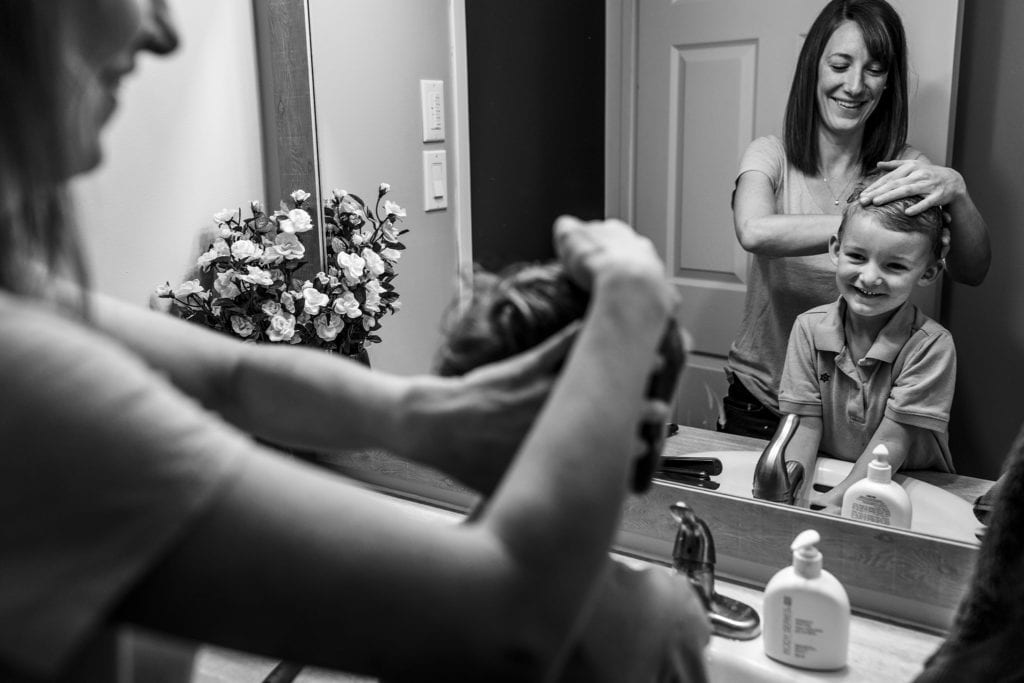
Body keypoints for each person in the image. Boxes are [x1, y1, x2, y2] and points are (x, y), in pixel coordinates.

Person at [0, 2, 709, 682]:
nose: (163, 34)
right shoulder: (23, 373)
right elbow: (504, 617)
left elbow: (235, 378)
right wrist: (633, 296)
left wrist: (431, 416)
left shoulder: (24, 305)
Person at [721, 0, 990, 439]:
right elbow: (754, 231)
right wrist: (864, 222)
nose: (854, 85)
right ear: (814, 69)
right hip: (762, 400)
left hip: (860, 411)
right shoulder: (771, 155)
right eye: (840, 64)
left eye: (874, 69)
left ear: (888, 83)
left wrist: (958, 193)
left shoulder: (905, 170)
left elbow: (972, 270)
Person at [776, 193, 954, 512]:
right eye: (857, 257)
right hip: (833, 473)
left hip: (909, 489)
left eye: (895, 265)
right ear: (836, 250)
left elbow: (894, 439)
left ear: (927, 273)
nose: (870, 277)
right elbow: (804, 423)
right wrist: (794, 496)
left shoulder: (931, 345)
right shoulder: (807, 328)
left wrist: (839, 499)